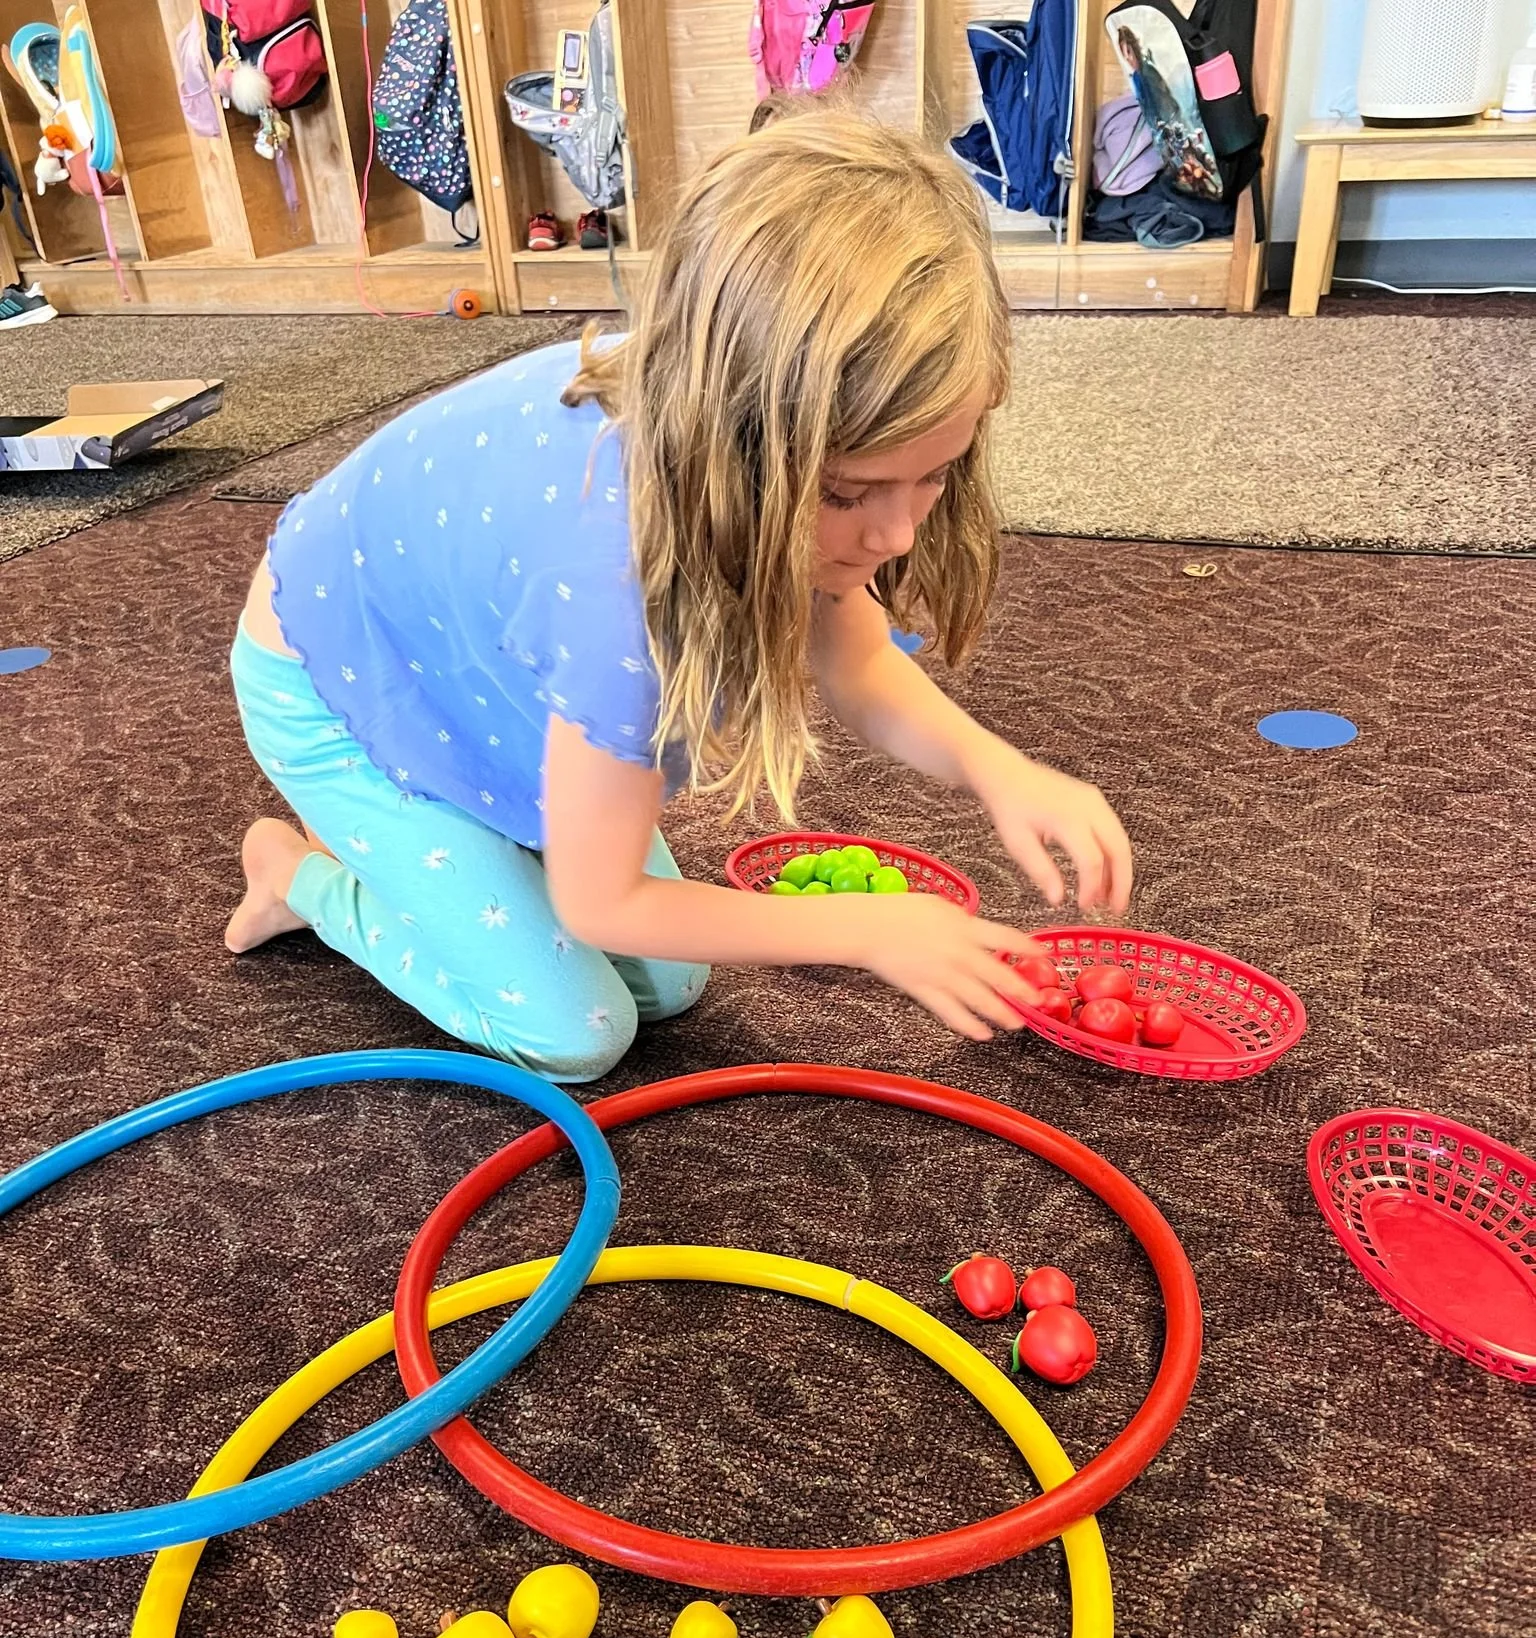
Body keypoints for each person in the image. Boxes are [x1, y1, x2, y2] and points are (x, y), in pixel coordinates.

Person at [226, 104, 1133, 1083]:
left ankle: (459, 841)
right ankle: (299, 874)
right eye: (848, 493)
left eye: (935, 473)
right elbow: (601, 905)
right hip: (335, 685)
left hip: (476, 679)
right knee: (581, 1035)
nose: (899, 533)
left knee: (676, 982)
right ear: (740, 444)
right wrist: (871, 930)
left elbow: (859, 657)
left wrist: (1000, 770)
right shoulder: (622, 592)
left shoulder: (728, 426)